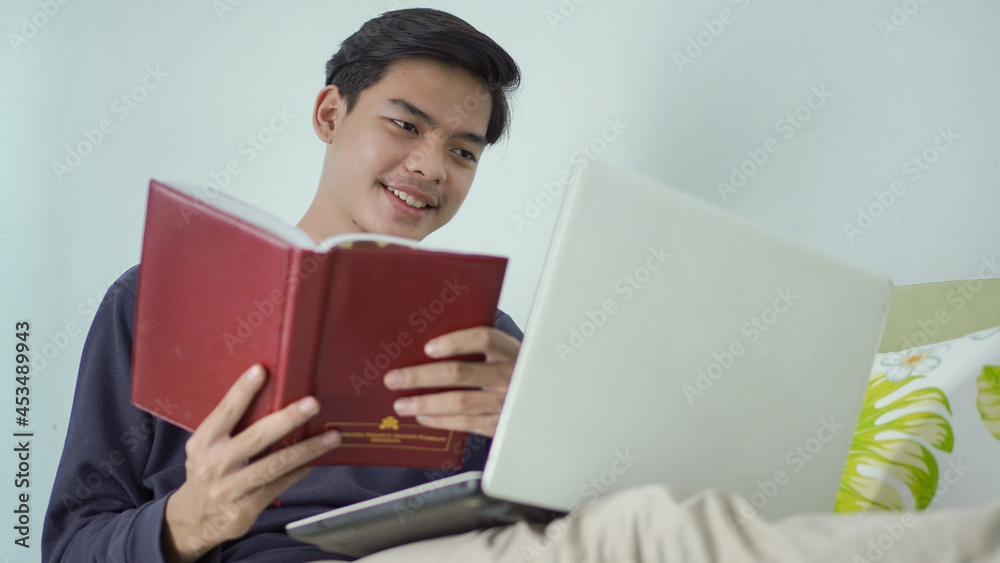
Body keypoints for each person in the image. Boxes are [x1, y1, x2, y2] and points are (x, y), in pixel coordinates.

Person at [42, 8, 522, 562]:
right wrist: (188, 521)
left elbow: (554, 518)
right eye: (406, 125)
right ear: (330, 115)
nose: (432, 167)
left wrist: (534, 432)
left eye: (463, 152)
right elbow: (69, 549)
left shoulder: (486, 345)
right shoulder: (154, 302)